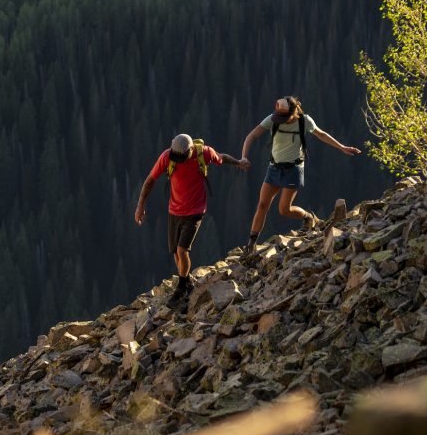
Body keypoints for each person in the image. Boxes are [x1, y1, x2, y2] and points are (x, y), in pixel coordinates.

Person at [239, 96, 361, 255]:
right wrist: (244, 156)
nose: (280, 120)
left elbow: (321, 134)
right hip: (274, 168)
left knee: (284, 209)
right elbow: (251, 136)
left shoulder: (304, 121)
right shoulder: (273, 119)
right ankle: (251, 243)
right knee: (262, 205)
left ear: (293, 112)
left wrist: (342, 147)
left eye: (283, 117)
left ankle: (308, 217)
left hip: (293, 169)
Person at [135, 134, 245, 306]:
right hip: (174, 210)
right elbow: (150, 180)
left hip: (195, 210)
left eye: (182, 158)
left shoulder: (204, 153)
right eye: (176, 158)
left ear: (191, 149)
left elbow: (221, 158)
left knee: (182, 250)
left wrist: (238, 162)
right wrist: (140, 205)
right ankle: (186, 283)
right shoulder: (167, 157)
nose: (178, 161)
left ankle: (181, 288)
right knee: (175, 252)